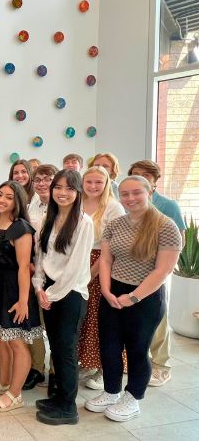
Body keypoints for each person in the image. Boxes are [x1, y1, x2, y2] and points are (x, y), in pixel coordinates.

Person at [85, 176, 181, 422]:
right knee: (109, 347)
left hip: (146, 297)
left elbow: (162, 270)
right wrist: (106, 291)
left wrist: (134, 297)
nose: (130, 198)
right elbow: (105, 260)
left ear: (149, 192)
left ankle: (133, 397)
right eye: (125, 194)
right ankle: (111, 391)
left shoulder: (165, 226)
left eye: (136, 193)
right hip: (113, 291)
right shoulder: (116, 224)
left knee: (137, 350)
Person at [33, 169, 94, 425]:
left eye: (69, 188)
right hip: (48, 290)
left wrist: (51, 293)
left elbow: (77, 267)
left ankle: (68, 408)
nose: (63, 193)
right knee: (55, 348)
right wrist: (38, 286)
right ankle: (59, 398)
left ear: (78, 192)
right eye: (58, 187)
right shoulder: (49, 216)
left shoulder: (84, 222)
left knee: (66, 351)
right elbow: (40, 256)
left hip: (70, 295)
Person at [0, 181, 41, 413]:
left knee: (16, 342)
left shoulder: (21, 228)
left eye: (8, 196)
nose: (1, 199)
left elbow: (24, 267)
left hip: (14, 289)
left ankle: (15, 394)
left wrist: (23, 300)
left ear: (18, 201)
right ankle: (3, 382)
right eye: (0, 194)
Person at [128, 160, 186, 387]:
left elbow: (179, 240)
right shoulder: (129, 201)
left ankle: (162, 365)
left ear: (154, 180)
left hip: (155, 270)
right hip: (129, 270)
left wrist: (162, 267)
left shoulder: (168, 205)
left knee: (157, 319)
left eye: (144, 175)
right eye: (134, 174)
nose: (139, 178)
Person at [78, 166, 125, 391]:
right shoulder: (77, 202)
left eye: (99, 182)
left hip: (101, 265)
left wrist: (90, 274)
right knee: (84, 319)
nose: (93, 186)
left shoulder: (114, 208)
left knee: (100, 319)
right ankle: (87, 362)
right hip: (79, 262)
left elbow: (111, 249)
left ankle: (103, 369)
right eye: (89, 182)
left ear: (107, 183)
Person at [23, 164, 58, 392]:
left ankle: (56, 372)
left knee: (55, 325)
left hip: (56, 273)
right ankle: (36, 368)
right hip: (32, 269)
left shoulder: (64, 206)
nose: (42, 183)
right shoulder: (31, 205)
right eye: (38, 179)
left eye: (47, 179)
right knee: (32, 323)